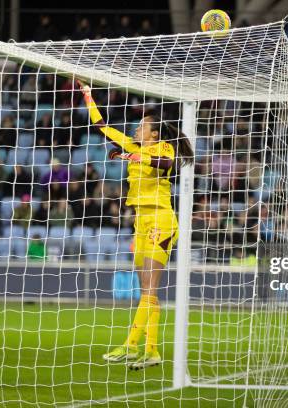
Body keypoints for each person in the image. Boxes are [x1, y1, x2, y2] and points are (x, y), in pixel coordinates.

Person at [78, 81, 193, 369]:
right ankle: (151, 350)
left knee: (150, 290)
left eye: (142, 127)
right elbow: (103, 127)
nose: (136, 130)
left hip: (161, 220)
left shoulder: (163, 147)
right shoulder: (133, 145)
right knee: (146, 292)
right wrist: (88, 96)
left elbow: (170, 166)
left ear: (154, 133)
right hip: (141, 222)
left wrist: (132, 156)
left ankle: (130, 345)